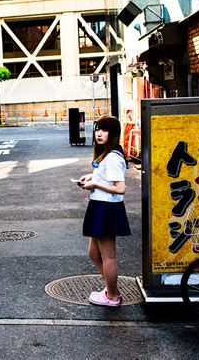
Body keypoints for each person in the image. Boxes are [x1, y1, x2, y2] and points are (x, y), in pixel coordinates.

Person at [78, 115, 131, 307]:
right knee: (93, 253)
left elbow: (120, 188)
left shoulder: (114, 157)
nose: (99, 133)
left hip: (107, 208)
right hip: (99, 206)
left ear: (113, 133)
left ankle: (112, 296)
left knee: (108, 256)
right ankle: (110, 288)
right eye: (98, 129)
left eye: (105, 130)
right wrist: (91, 177)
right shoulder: (106, 154)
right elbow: (106, 178)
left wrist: (95, 184)